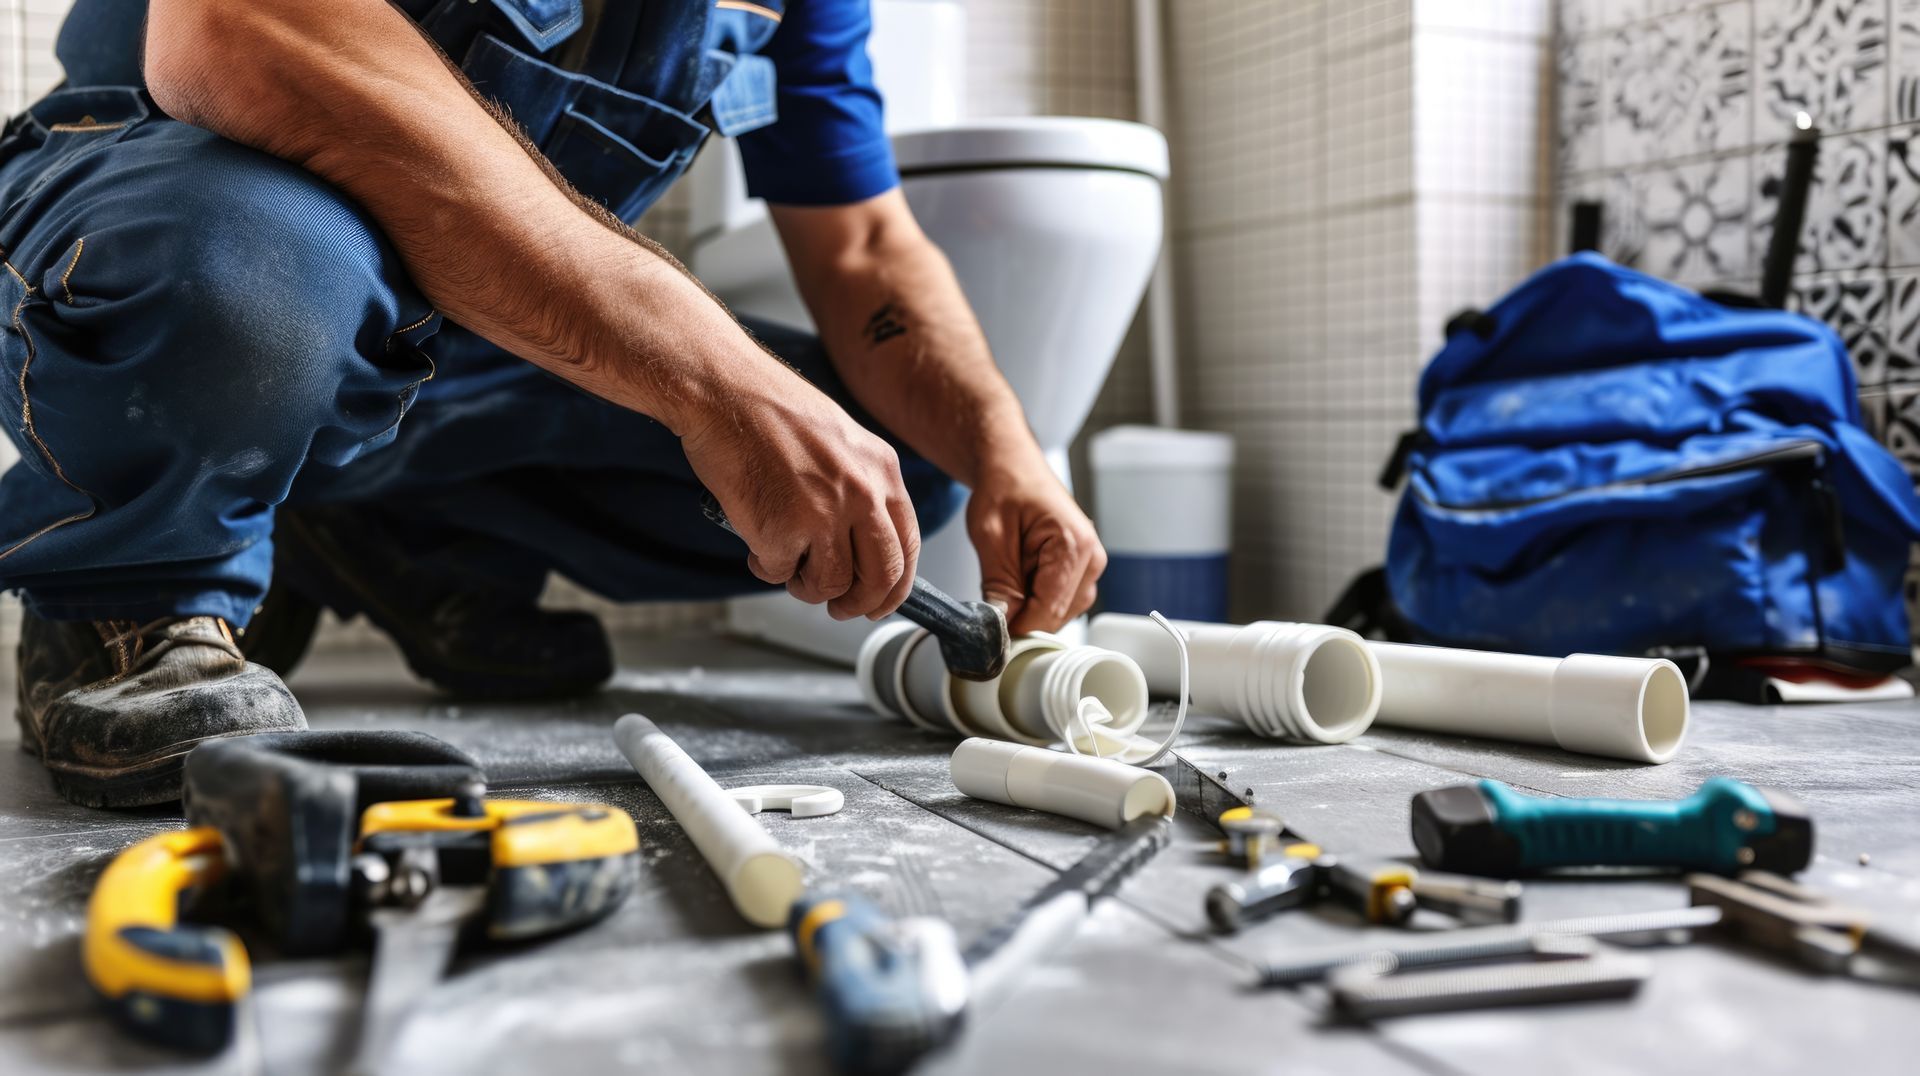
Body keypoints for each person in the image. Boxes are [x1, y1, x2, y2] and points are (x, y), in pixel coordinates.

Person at [1, 0, 1106, 808]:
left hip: (434, 338)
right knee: (257, 268)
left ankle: (373, 530)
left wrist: (1013, 453)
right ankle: (129, 591)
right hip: (165, 211)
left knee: (894, 475)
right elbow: (238, 31)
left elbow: (864, 243)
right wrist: (711, 376)